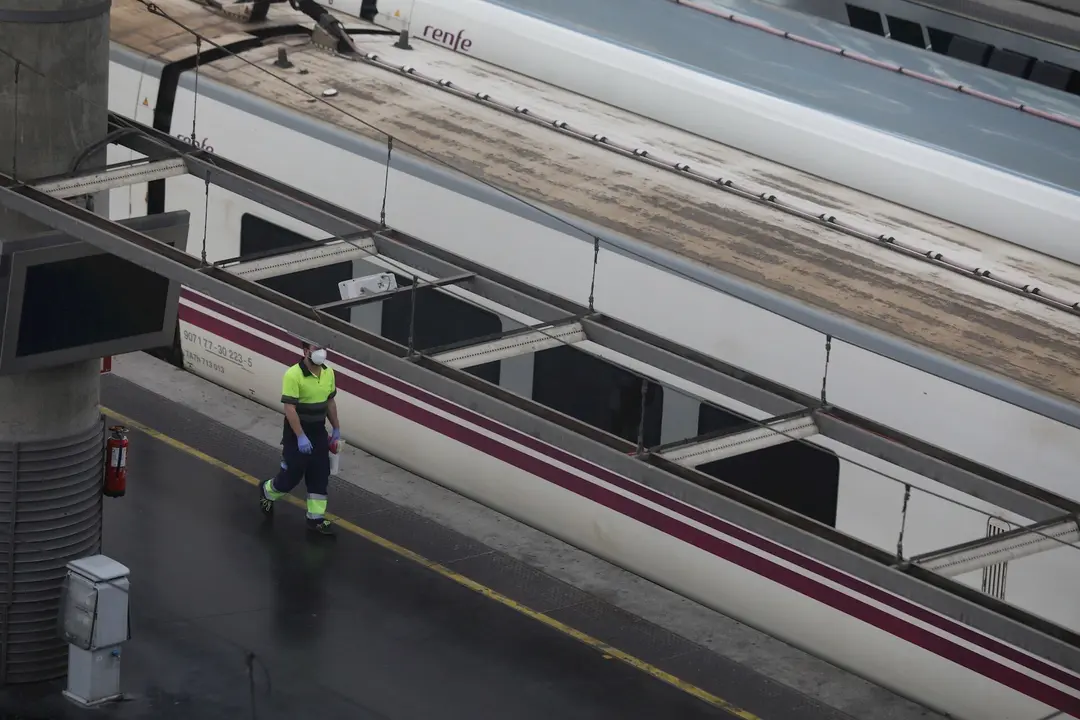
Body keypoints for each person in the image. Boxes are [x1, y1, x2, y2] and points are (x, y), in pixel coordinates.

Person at [259, 341, 340, 535]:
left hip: (319, 432)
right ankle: (267, 490)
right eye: (316, 349)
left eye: (323, 349)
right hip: (297, 433)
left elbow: (330, 401)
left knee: (320, 476)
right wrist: (301, 436)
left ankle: (315, 519)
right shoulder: (293, 375)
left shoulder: (329, 373)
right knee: (291, 477)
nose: (321, 353)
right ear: (305, 351)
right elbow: (290, 408)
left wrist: (336, 428)